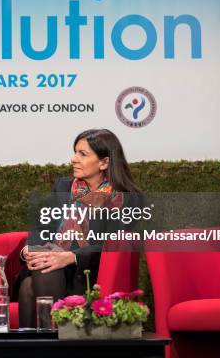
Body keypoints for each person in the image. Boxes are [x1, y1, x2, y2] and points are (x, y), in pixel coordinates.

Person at [15, 128, 142, 328]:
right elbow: (42, 227)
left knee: (29, 286)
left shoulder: (125, 198)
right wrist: (30, 249)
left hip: (86, 272)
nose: (74, 159)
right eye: (75, 152)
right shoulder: (64, 187)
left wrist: (70, 257)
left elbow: (113, 245)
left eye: (82, 154)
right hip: (49, 262)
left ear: (104, 162)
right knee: (45, 267)